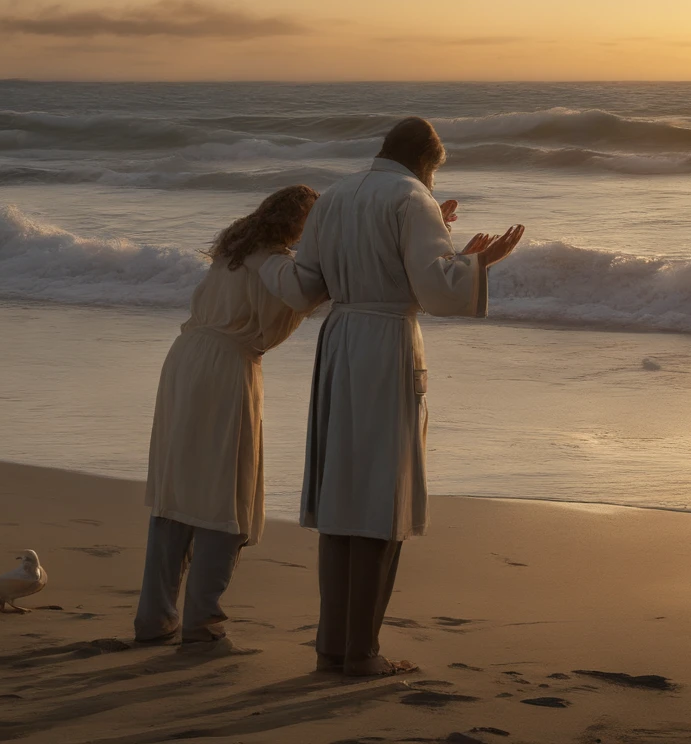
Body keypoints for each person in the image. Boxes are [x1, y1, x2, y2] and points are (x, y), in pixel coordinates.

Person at [258, 117, 525, 676]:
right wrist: (479, 262)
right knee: (383, 495)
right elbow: (434, 290)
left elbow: (305, 287)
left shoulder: (333, 197)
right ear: (429, 161)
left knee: (342, 496)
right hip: (386, 346)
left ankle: (332, 648)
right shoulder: (413, 198)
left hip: (340, 340)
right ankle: (363, 653)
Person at [136, 184, 321, 654]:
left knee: (178, 490)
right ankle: (203, 623)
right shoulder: (274, 260)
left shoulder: (234, 253)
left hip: (186, 359)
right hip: (223, 369)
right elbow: (306, 292)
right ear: (298, 223)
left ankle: (155, 618)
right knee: (226, 493)